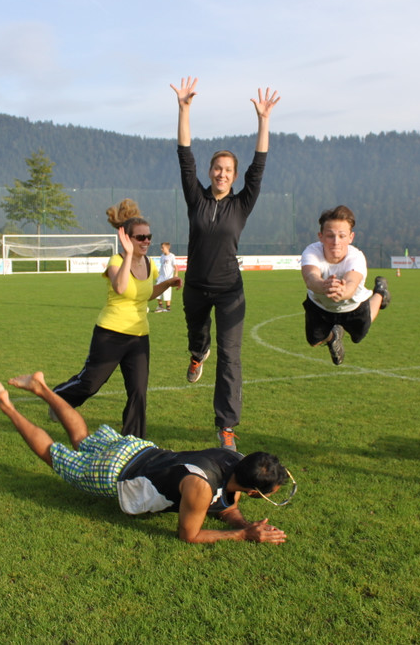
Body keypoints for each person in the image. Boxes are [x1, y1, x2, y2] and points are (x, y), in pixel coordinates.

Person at [0, 371, 293, 544]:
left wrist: (246, 524)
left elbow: (227, 505)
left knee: (82, 439)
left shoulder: (234, 458)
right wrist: (242, 535)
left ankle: (41, 387)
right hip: (117, 472)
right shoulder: (200, 488)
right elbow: (189, 535)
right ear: (252, 491)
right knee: (54, 455)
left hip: (137, 449)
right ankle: (7, 406)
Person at [169, 76, 280, 450]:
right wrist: (184, 109)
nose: (221, 174)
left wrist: (263, 121)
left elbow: (258, 167)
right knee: (198, 339)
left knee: (230, 358)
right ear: (210, 172)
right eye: (217, 168)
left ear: (233, 176)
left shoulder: (241, 204)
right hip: (196, 288)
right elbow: (185, 156)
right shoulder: (196, 199)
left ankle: (226, 427)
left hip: (230, 291)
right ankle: (197, 354)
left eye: (228, 170)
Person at [51, 199, 181, 438]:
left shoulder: (150, 264)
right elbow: (121, 288)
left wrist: (168, 283)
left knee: (138, 391)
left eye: (148, 237)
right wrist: (129, 255)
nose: (146, 241)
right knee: (90, 384)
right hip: (110, 334)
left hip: (139, 336)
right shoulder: (116, 262)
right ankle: (58, 398)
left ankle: (134, 440)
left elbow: (145, 294)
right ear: (127, 239)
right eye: (140, 237)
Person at [300, 205, 391, 365]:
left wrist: (343, 292)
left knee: (358, 336)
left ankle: (380, 292)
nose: (336, 242)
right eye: (330, 236)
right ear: (321, 236)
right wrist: (324, 286)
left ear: (351, 237)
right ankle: (334, 336)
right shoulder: (311, 252)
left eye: (342, 236)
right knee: (314, 341)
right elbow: (310, 277)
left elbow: (351, 283)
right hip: (320, 305)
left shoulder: (356, 257)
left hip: (352, 306)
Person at [153, 242, 177, 313]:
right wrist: (158, 276)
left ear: (167, 248)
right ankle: (160, 306)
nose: (161, 249)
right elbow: (162, 266)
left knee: (167, 292)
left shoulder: (172, 256)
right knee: (157, 290)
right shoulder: (162, 256)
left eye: (162, 248)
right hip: (161, 277)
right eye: (161, 247)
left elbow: (175, 267)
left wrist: (176, 275)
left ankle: (168, 308)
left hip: (168, 277)